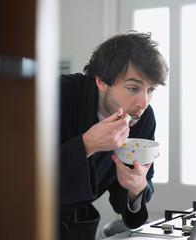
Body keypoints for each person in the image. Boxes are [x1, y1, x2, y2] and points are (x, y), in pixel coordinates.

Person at [59, 30, 168, 240]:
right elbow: (23, 175)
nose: (143, 103)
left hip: (77, 227)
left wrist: (136, 189)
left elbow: (128, 200)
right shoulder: (58, 95)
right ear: (101, 81)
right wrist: (87, 144)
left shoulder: (142, 117)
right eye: (133, 88)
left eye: (151, 89)